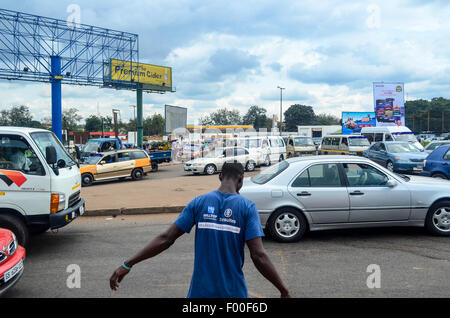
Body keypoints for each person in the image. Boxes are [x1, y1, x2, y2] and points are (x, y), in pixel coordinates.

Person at [109, 162, 291, 298]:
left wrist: (128, 264)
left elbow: (166, 238)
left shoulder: (199, 202)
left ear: (219, 176)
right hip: (233, 294)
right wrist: (283, 289)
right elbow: (258, 255)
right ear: (241, 180)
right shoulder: (247, 207)